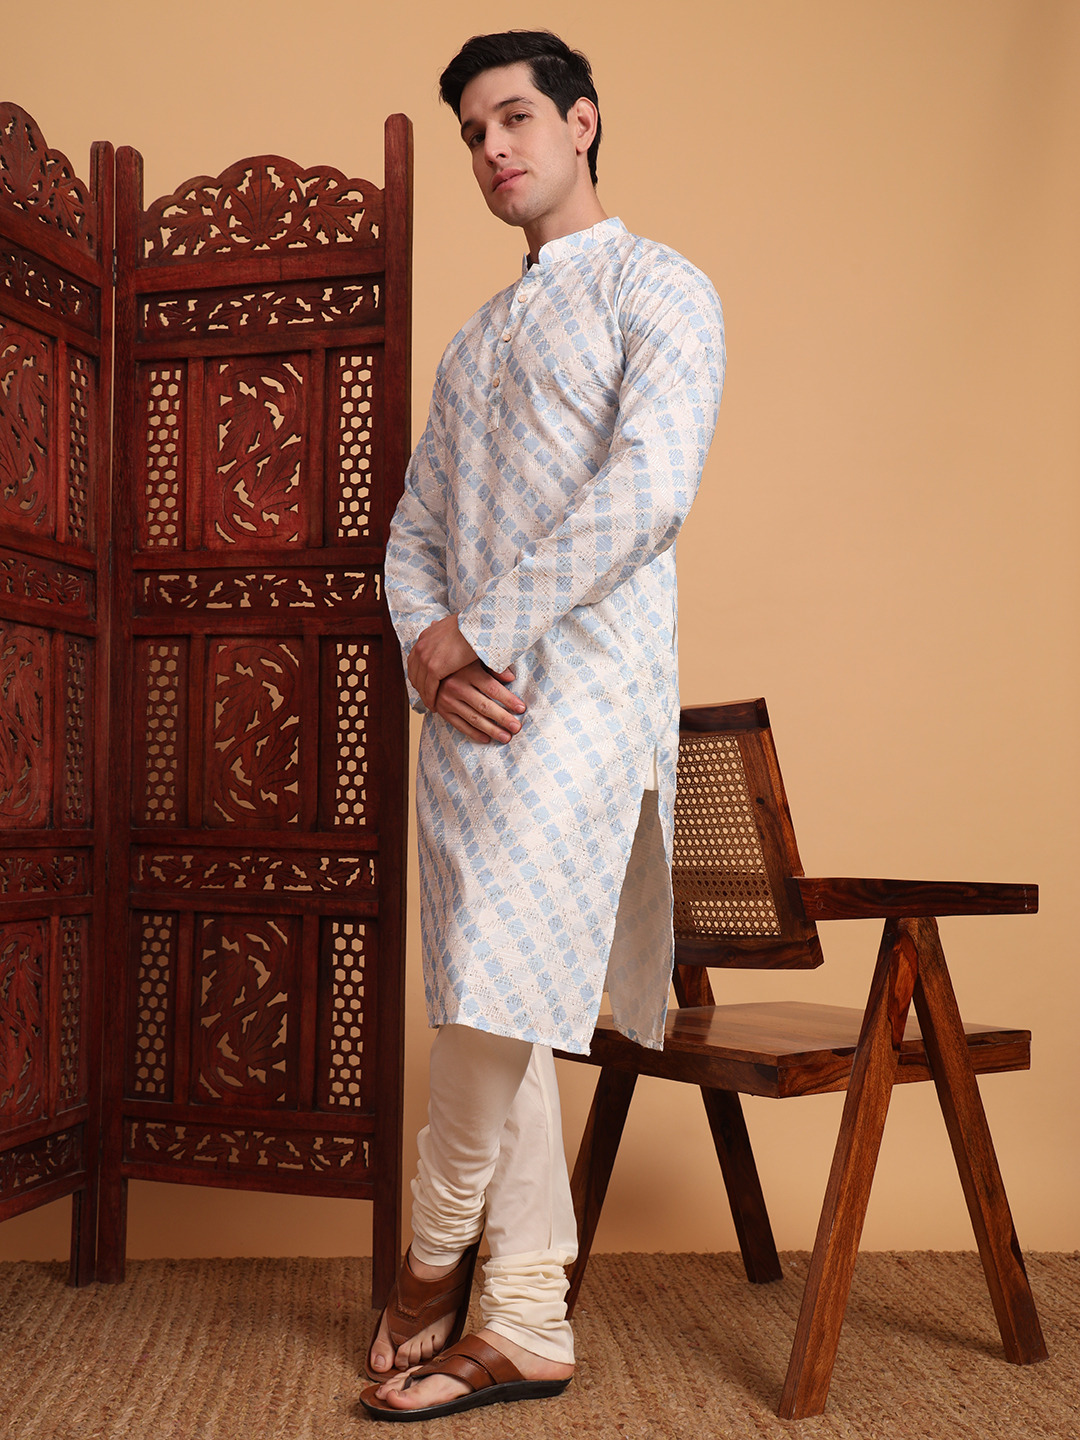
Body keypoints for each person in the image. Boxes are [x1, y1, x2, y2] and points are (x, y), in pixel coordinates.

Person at [360, 29, 725, 1422]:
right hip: (465, 720)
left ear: (582, 122)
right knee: (489, 996)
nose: (492, 149)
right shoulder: (474, 345)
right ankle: (523, 1321)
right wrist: (429, 653)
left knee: (492, 991)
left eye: (514, 117)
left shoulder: (659, 286)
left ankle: (429, 1262)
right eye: (473, 132)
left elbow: (651, 491)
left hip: (582, 703)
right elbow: (414, 533)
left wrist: (483, 632)